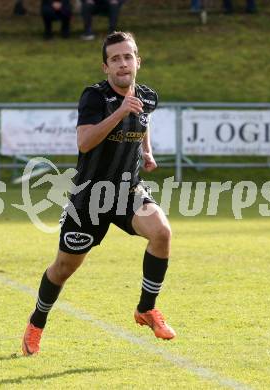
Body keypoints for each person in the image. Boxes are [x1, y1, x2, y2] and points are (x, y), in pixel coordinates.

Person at [22, 31, 176, 356]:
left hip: (127, 192)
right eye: (115, 59)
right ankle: (36, 322)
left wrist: (146, 152)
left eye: (128, 56)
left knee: (161, 232)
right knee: (64, 268)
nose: (123, 63)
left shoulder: (148, 96)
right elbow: (84, 142)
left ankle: (146, 308)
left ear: (138, 61)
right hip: (90, 198)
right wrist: (119, 112)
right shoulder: (94, 97)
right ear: (106, 67)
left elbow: (143, 121)